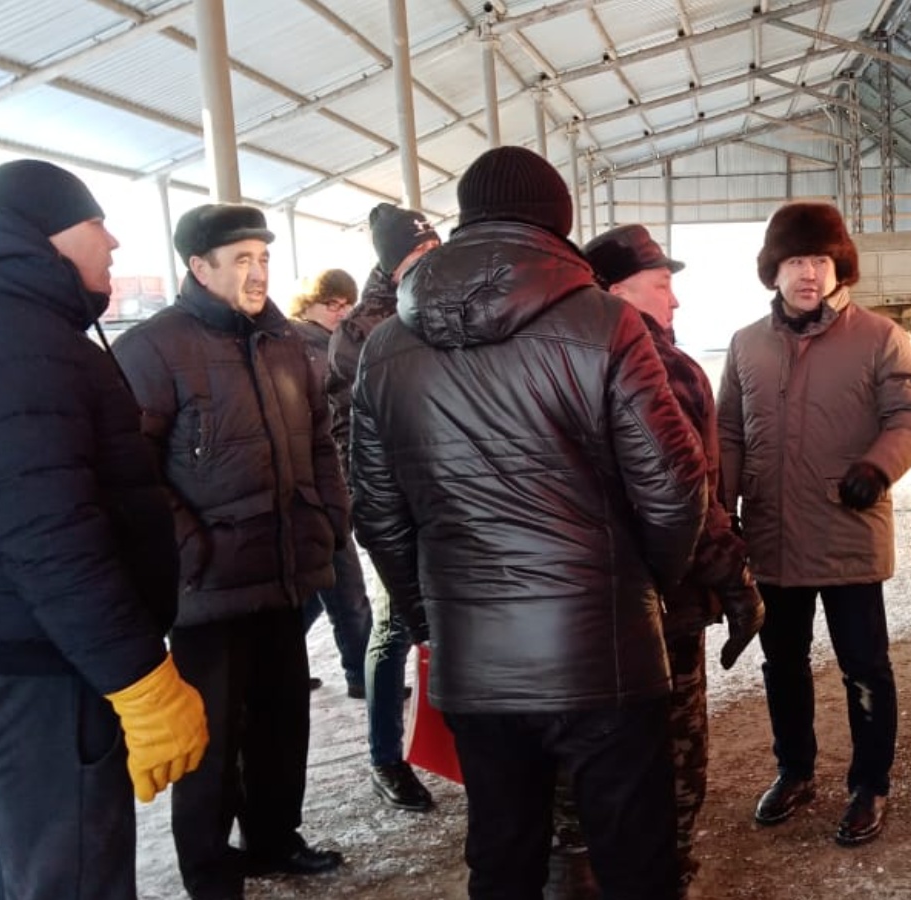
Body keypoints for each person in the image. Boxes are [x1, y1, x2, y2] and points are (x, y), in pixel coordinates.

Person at [350, 146, 709, 899]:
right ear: (557, 223)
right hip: (604, 652)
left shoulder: (384, 347)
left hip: (473, 660)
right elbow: (674, 492)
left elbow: (379, 517)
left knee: (503, 856)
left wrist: (432, 619)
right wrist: (635, 591)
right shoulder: (607, 324)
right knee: (636, 864)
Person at [0, 160, 207, 897]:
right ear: (47, 231)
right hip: (37, 675)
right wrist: (139, 679)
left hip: (16, 660)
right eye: (97, 222)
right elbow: (51, 533)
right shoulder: (11, 341)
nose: (114, 241)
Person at [113, 203, 349, 899]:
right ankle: (210, 870)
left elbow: (321, 441)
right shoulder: (153, 349)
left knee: (282, 719)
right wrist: (191, 550)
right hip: (207, 587)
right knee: (212, 737)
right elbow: (132, 471)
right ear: (199, 266)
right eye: (241, 259)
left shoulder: (284, 343)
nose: (257, 272)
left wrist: (330, 518)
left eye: (264, 258)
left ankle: (274, 838)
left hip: (282, 569)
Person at [541, 224, 765, 898]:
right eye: (662, 284)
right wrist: (734, 580)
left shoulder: (547, 358)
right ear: (615, 291)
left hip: (572, 612)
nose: (676, 300)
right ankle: (666, 876)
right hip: (664, 606)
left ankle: (574, 872)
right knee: (671, 761)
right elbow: (685, 493)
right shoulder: (662, 367)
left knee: (581, 763)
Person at [717, 201, 911, 846]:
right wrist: (722, 509)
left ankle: (870, 784)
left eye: (819, 259)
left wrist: (878, 467)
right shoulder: (746, 344)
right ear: (774, 271)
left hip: (847, 530)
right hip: (772, 535)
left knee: (864, 666)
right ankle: (795, 771)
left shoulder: (880, 338)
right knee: (782, 664)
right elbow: (728, 433)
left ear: (839, 266)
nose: (808, 273)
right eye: (794, 261)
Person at [325, 203, 441, 812]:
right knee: (395, 628)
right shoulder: (360, 332)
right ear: (394, 262)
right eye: (420, 252)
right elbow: (352, 436)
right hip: (397, 508)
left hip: (450, 501)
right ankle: (385, 757)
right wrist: (377, 512)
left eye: (436, 247)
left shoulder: (445, 304)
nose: (433, 259)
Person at [289, 269, 371, 698]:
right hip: (318, 484)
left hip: (330, 480)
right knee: (345, 583)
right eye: (331, 304)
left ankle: (280, 661)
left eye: (346, 304)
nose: (340, 312)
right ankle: (361, 674)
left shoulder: (332, 344)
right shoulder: (301, 347)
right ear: (308, 305)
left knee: (320, 586)